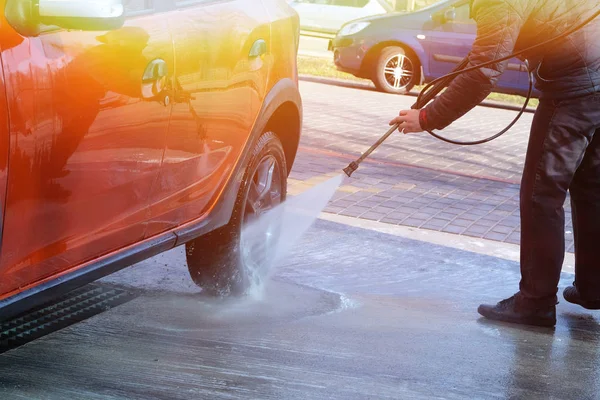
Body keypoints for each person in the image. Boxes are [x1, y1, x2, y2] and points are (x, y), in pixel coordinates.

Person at [390, 0, 600, 328]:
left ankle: (535, 303)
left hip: (572, 91)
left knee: (541, 197)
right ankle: (594, 287)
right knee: (591, 191)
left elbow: (484, 71)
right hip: (596, 78)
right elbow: (487, 52)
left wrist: (429, 117)